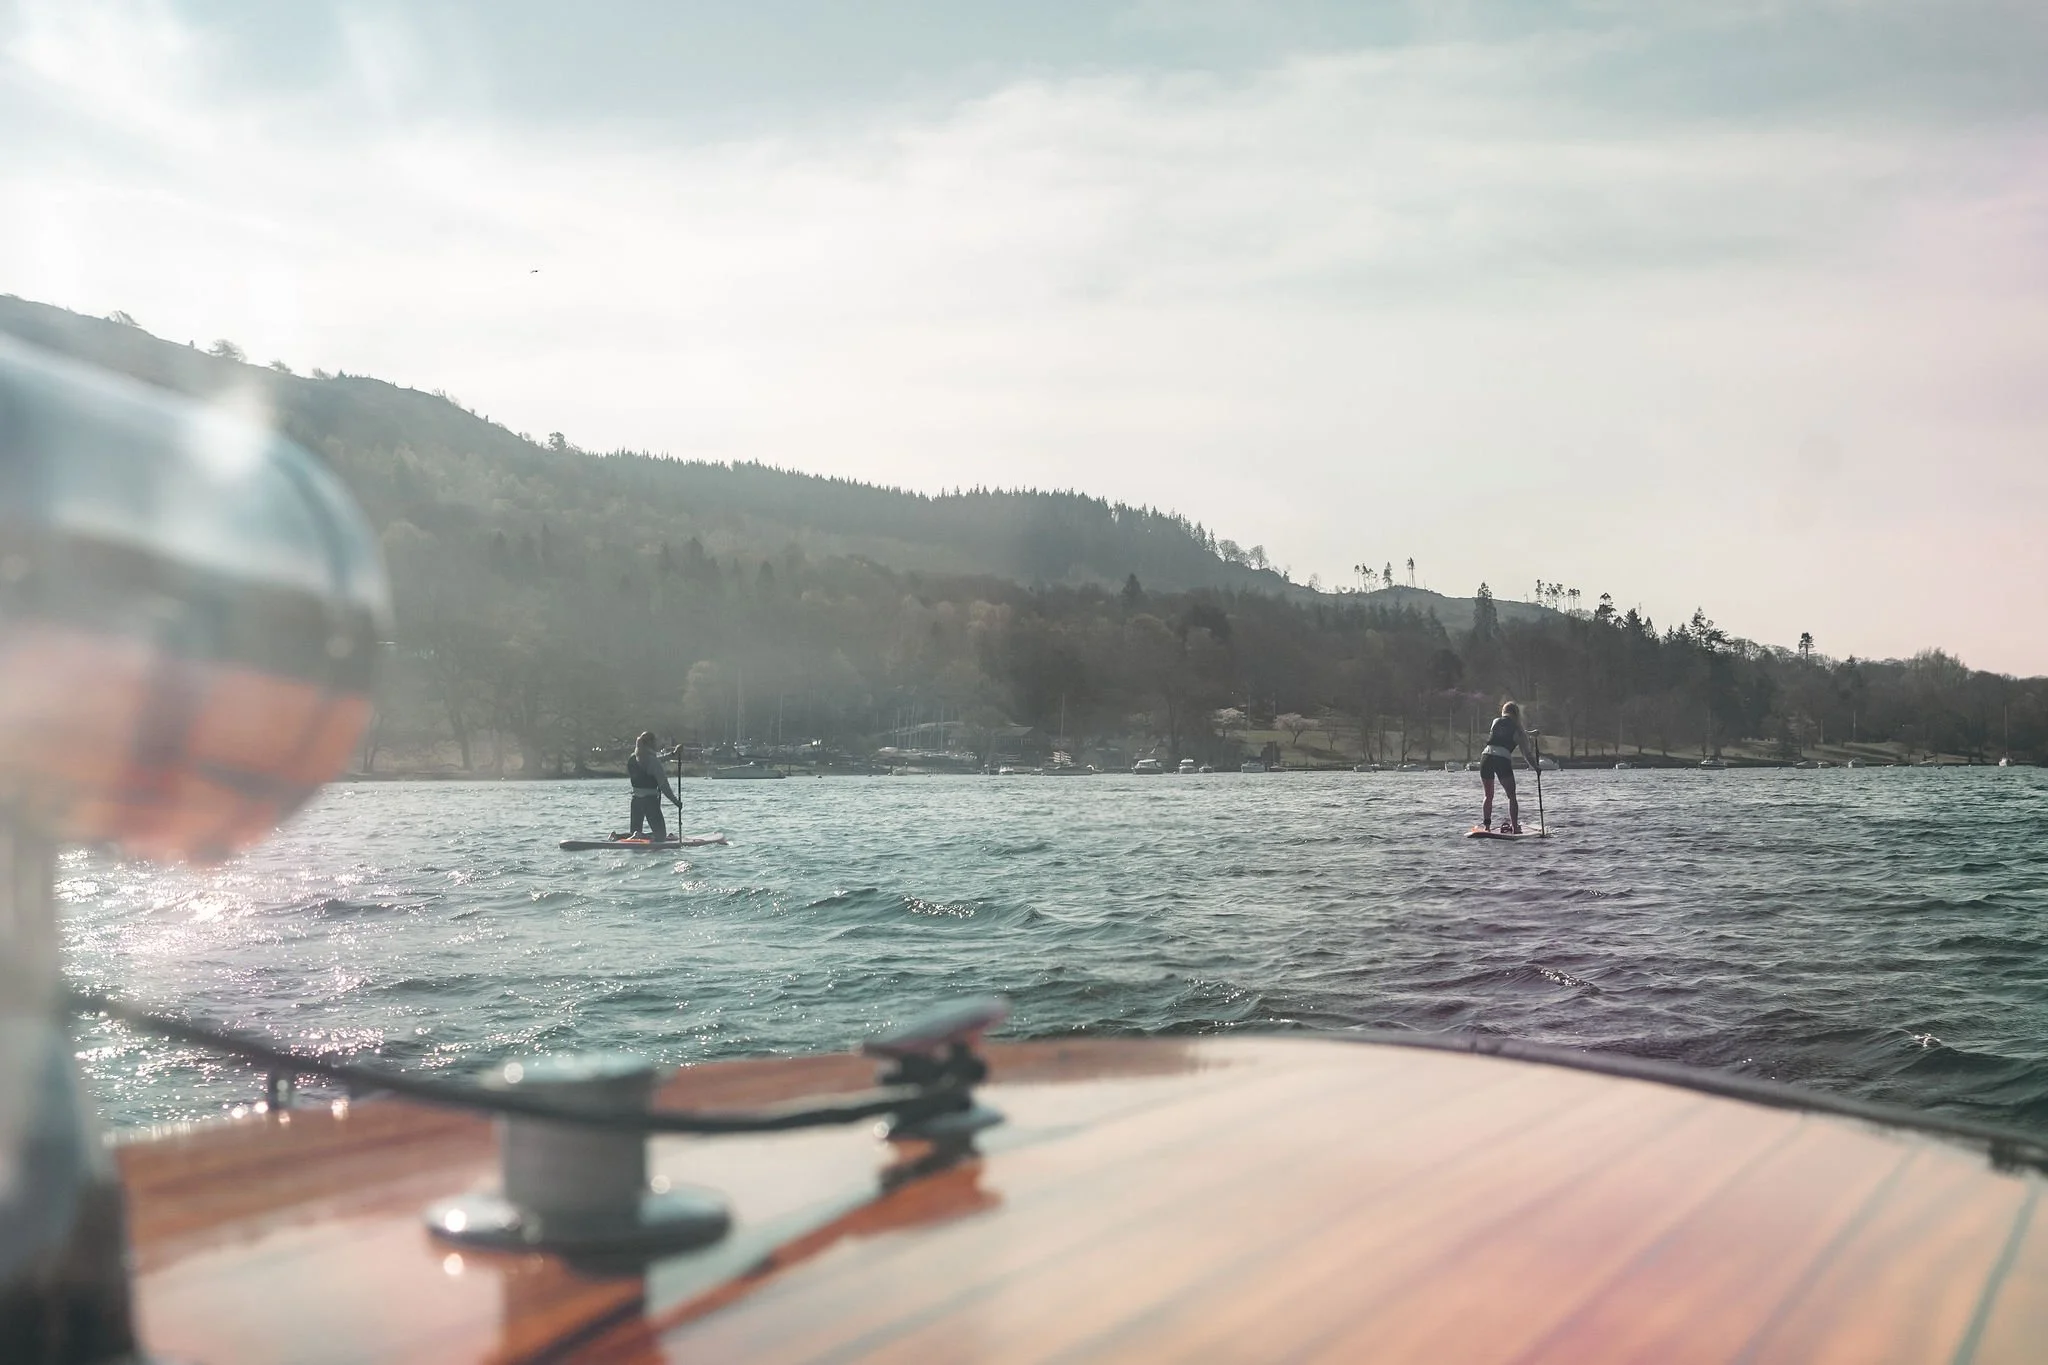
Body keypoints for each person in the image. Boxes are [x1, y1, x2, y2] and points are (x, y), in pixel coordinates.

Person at [1480, 701, 1539, 833]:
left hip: (1486, 756)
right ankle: (1515, 827)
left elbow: (1504, 730)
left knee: (1488, 796)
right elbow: (1527, 755)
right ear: (1517, 714)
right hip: (1502, 759)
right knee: (1511, 796)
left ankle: (1487, 827)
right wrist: (1536, 768)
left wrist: (1528, 733)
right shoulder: (1519, 731)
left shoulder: (1495, 722)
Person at [625, 731, 680, 842]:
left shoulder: (632, 758)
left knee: (634, 837)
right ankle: (641, 835)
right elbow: (663, 785)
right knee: (661, 837)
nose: (656, 743)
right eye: (655, 741)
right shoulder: (652, 761)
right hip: (650, 802)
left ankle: (620, 836)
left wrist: (673, 755)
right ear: (650, 743)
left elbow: (653, 761)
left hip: (636, 801)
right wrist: (676, 802)